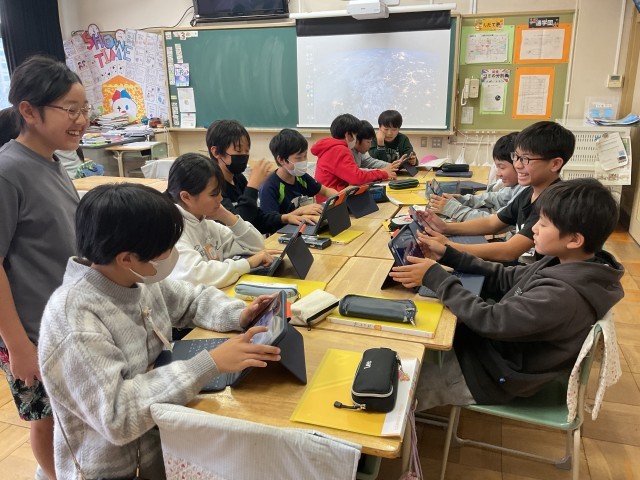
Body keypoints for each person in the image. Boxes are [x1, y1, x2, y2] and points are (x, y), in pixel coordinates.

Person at [38, 183, 282, 479]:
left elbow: (191, 300)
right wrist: (209, 364)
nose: (172, 255)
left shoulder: (134, 279)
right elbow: (117, 417)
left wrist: (239, 315)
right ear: (126, 258)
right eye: (165, 248)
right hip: (111, 470)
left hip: (159, 449)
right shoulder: (74, 320)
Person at [390, 178, 624, 410]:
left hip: (489, 374)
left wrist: (436, 278)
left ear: (574, 239)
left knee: (394, 391)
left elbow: (491, 320)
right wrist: (448, 255)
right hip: (491, 352)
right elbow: (505, 277)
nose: (534, 228)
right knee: (411, 338)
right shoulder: (564, 262)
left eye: (543, 224)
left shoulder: (563, 295)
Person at [0, 56, 90, 480]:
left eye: (85, 109)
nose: (81, 120)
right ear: (29, 111)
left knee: (68, 413)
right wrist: (18, 346)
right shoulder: (7, 172)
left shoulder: (52, 161)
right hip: (31, 330)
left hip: (63, 320)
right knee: (45, 418)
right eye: (70, 110)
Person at [417, 121, 575, 263]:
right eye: (516, 157)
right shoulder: (529, 192)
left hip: (532, 276)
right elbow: (493, 223)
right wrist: (446, 228)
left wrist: (448, 246)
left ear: (555, 164)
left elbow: (509, 252)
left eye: (526, 159)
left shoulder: (553, 203)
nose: (518, 165)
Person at [166, 152, 274, 288]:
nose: (221, 199)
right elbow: (197, 276)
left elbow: (256, 247)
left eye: (220, 193)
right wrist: (248, 263)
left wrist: (226, 216)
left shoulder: (206, 222)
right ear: (186, 197)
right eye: (214, 194)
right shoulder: (172, 230)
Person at [206, 119, 311, 235]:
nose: (244, 155)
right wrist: (252, 186)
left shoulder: (238, 179)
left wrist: (286, 218)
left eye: (247, 151)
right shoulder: (212, 187)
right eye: (238, 150)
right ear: (216, 152)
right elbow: (239, 227)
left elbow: (256, 220)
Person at [428, 132, 526, 223]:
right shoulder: (517, 186)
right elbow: (496, 198)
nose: (498, 174)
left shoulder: (525, 192)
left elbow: (495, 222)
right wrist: (463, 200)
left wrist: (454, 209)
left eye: (502, 167)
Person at [313, 114, 392, 201]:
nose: (356, 139)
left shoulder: (333, 147)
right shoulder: (339, 150)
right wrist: (383, 173)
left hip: (333, 197)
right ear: (348, 134)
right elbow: (357, 177)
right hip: (332, 201)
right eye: (355, 134)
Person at [259, 128, 338, 215]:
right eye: (299, 158)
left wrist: (341, 198)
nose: (304, 161)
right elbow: (270, 221)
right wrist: (300, 211)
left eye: (305, 156)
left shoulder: (300, 176)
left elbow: (326, 191)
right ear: (281, 160)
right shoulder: (269, 187)